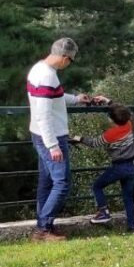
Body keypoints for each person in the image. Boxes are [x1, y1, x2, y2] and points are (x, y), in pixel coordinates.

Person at [27, 37, 105, 242]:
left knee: (46, 183)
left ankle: (43, 227)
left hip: (39, 134)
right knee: (62, 183)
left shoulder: (39, 69)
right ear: (64, 57)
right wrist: (53, 145)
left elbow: (54, 98)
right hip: (51, 137)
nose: (69, 64)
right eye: (71, 60)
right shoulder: (48, 77)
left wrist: (76, 99)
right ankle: (43, 230)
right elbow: (44, 115)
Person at [72, 102, 134, 232]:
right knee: (128, 197)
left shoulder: (111, 134)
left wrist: (80, 138)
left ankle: (103, 212)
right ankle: (132, 226)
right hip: (132, 166)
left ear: (111, 119)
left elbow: (94, 143)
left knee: (97, 186)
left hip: (119, 167)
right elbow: (122, 111)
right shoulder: (129, 124)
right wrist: (108, 101)